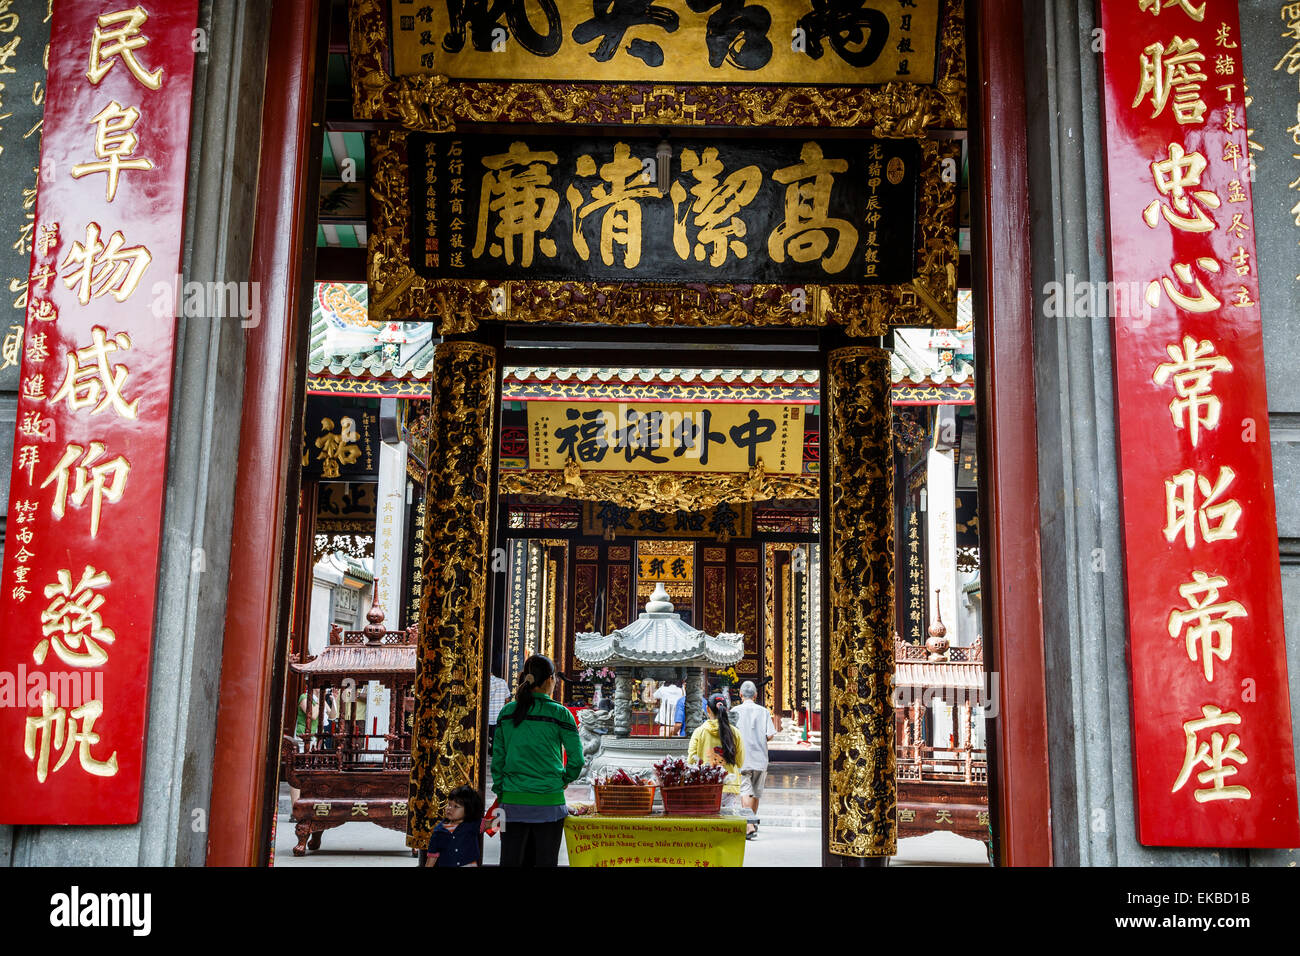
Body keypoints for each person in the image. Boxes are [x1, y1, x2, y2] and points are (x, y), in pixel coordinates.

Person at [492, 654, 584, 866]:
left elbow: (498, 760)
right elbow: (577, 760)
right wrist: (563, 779)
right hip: (549, 803)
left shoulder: (507, 712)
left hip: (512, 803)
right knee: (545, 862)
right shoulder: (561, 714)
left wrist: (501, 792)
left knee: (510, 861)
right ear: (550, 679)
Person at [732, 680, 776, 839]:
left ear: (741, 694)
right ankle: (751, 823)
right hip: (760, 757)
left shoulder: (734, 711)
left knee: (745, 791)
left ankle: (749, 823)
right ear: (756, 695)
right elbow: (770, 735)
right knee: (756, 792)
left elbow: (730, 734)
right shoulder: (763, 711)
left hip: (742, 757)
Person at [687, 692, 745, 808]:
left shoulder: (699, 732)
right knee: (726, 821)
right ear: (726, 709)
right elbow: (740, 761)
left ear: (707, 709)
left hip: (706, 785)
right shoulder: (735, 733)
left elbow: (691, 760)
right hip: (729, 784)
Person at [424, 784, 483, 867]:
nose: (449, 808)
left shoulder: (474, 824)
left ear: (468, 810)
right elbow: (432, 857)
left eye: (456, 806)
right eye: (449, 804)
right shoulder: (438, 831)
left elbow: (493, 824)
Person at [487, 668, 509, 750]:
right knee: (496, 739)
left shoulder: (482, 682)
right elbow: (507, 699)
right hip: (498, 716)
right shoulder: (502, 682)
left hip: (485, 717)